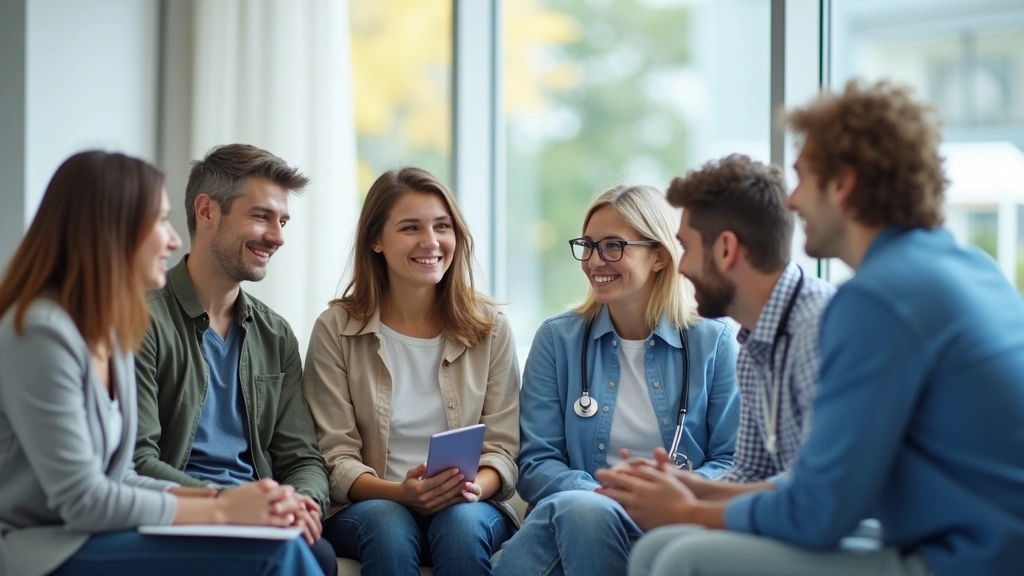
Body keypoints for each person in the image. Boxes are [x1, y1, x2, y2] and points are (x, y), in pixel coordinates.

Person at [601, 80, 1024, 576]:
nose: (794, 201)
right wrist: (693, 490)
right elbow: (824, 484)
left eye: (802, 179)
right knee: (665, 549)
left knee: (681, 559)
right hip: (963, 538)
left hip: (965, 559)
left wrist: (688, 510)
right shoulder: (966, 267)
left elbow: (820, 511)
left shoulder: (876, 301)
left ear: (842, 185)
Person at [0, 151, 321, 576]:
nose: (172, 239)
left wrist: (245, 504)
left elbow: (122, 475)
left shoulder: (109, 332)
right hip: (48, 545)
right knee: (276, 556)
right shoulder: (40, 333)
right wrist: (224, 508)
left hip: (99, 530)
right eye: (159, 221)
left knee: (293, 551)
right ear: (109, 231)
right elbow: (85, 498)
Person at [493, 185, 740, 576]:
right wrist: (605, 496)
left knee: (574, 518)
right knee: (583, 511)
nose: (594, 261)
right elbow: (537, 461)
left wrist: (668, 498)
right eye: (587, 246)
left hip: (676, 522)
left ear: (659, 255)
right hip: (582, 512)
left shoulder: (715, 340)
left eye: (612, 246)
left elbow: (732, 459)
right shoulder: (558, 339)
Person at [302, 166, 520, 576]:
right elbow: (334, 455)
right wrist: (401, 494)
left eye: (442, 226)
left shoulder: (490, 327)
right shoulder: (336, 328)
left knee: (460, 526)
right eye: (410, 228)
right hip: (370, 505)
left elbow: (504, 449)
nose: (431, 242)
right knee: (386, 521)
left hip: (469, 506)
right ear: (376, 241)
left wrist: (472, 490)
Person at [131, 144, 334, 575]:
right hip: (183, 510)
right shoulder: (141, 319)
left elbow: (302, 458)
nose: (277, 236)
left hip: (260, 513)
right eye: (261, 217)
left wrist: (302, 503)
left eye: (282, 221)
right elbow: (139, 459)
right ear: (207, 212)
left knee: (319, 554)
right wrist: (231, 503)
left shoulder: (275, 333)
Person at [609, 155, 835, 495]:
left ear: (726, 249)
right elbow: (750, 472)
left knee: (670, 550)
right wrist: (674, 486)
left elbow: (816, 496)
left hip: (836, 534)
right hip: (796, 521)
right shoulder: (755, 345)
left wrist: (686, 507)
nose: (680, 266)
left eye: (686, 247)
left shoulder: (818, 331)